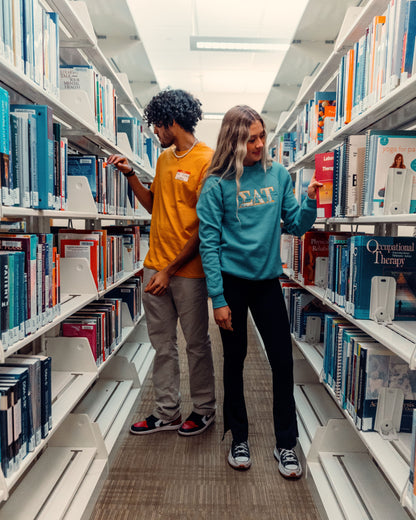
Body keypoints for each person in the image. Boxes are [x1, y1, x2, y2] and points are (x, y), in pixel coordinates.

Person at [196, 105, 321, 477]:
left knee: (282, 361)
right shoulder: (216, 183)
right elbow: (209, 242)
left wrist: (311, 199)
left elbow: (296, 225)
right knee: (234, 361)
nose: (259, 144)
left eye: (262, 136)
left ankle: (286, 444)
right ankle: (239, 437)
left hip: (267, 282)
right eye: (251, 139)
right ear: (233, 141)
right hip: (232, 284)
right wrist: (217, 299)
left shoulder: (278, 174)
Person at [107, 89, 216, 437]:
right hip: (156, 268)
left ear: (171, 121)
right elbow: (154, 206)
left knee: (197, 345)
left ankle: (204, 409)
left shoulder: (207, 161)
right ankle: (167, 411)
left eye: (156, 125)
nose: (154, 131)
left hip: (187, 273)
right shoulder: (165, 159)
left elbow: (203, 227)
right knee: (162, 345)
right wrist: (129, 175)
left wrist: (170, 270)